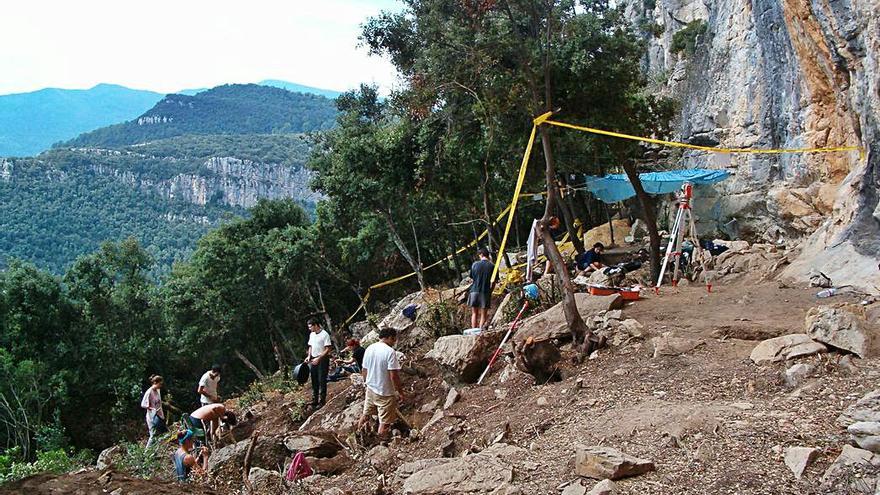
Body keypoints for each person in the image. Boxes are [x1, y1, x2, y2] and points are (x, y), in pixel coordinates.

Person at [358, 328, 404, 438]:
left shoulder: (370, 348)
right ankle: (380, 444)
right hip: (385, 392)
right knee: (385, 422)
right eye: (394, 340)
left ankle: (358, 437)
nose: (394, 342)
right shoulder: (390, 352)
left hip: (371, 389)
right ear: (390, 337)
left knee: (366, 415)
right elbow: (394, 375)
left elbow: (364, 369)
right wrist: (400, 391)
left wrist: (366, 383)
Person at [304, 318, 332, 409]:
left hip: (322, 359)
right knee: (314, 379)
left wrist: (319, 358)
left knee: (321, 380)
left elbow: (328, 349)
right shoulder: (311, 335)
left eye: (310, 326)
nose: (309, 329)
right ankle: (314, 399)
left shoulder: (324, 334)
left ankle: (322, 400)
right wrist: (309, 356)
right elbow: (310, 346)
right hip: (313, 359)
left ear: (316, 325)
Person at [467, 247, 493, 329]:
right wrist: (490, 291)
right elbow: (494, 281)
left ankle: (473, 331)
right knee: (483, 314)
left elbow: (472, 277)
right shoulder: (492, 266)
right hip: (485, 292)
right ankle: (481, 332)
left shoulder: (474, 264)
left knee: (474, 313)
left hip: (474, 291)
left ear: (481, 254)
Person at [140, 375, 166, 448]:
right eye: (160, 384)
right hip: (151, 416)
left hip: (158, 415)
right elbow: (143, 404)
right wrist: (152, 408)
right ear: (155, 383)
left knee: (160, 434)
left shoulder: (158, 390)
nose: (161, 386)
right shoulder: (149, 392)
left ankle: (154, 452)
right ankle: (146, 452)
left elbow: (159, 403)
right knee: (153, 435)